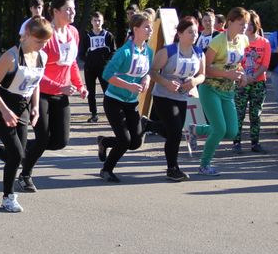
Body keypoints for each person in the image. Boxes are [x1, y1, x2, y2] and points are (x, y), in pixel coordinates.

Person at [0, 16, 52, 212]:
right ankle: (8, 197)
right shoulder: (10, 57)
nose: (42, 46)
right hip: (1, 108)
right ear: (28, 35)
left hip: (23, 109)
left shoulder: (42, 57)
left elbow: (36, 82)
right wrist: (5, 111)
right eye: (39, 41)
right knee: (16, 156)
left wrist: (35, 107)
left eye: (46, 42)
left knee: (18, 155)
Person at [18, 0, 88, 192]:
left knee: (59, 141)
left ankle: (15, 149)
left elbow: (72, 62)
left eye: (74, 8)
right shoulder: (46, 34)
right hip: (41, 93)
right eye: (68, 9)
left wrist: (80, 85)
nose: (73, 12)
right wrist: (59, 87)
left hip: (62, 93)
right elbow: (35, 70)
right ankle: (25, 175)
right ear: (56, 11)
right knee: (42, 139)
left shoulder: (73, 32)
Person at [188, 7, 250, 176]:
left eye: (246, 24)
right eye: (241, 23)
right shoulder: (217, 41)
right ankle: (204, 165)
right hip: (210, 89)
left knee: (232, 131)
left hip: (228, 90)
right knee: (219, 129)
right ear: (230, 23)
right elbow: (205, 68)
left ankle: (195, 129)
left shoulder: (243, 40)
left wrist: (242, 75)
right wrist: (227, 73)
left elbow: (238, 64)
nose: (244, 27)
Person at [95, 13, 154, 182]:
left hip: (131, 101)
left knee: (135, 143)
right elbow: (107, 74)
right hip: (114, 100)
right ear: (136, 29)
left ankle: (104, 142)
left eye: (150, 27)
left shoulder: (148, 51)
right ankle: (106, 169)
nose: (150, 30)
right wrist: (129, 85)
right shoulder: (124, 51)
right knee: (124, 140)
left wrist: (146, 79)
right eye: (147, 27)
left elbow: (147, 71)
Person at [149, 16, 206, 181]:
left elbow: (202, 75)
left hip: (182, 97)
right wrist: (166, 82)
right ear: (180, 33)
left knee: (173, 130)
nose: (194, 35)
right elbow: (152, 71)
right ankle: (172, 168)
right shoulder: (168, 51)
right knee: (174, 132)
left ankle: (149, 124)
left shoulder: (198, 52)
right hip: (163, 96)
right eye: (190, 32)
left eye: (196, 32)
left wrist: (194, 81)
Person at [232, 10, 271, 153]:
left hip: (258, 82)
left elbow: (265, 64)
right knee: (239, 113)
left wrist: (253, 77)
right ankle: (236, 142)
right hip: (241, 81)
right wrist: (244, 77)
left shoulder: (264, 42)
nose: (248, 27)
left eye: (250, 24)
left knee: (256, 114)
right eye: (245, 24)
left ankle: (255, 142)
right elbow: (235, 61)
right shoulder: (238, 40)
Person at [79, 11, 117, 123]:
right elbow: (81, 53)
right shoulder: (87, 36)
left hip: (104, 68)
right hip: (90, 68)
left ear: (103, 21)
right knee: (91, 91)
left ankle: (111, 113)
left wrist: (106, 61)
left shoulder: (108, 35)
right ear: (91, 22)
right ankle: (94, 114)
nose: (97, 22)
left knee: (107, 91)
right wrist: (88, 61)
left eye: (99, 20)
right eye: (95, 20)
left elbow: (114, 51)